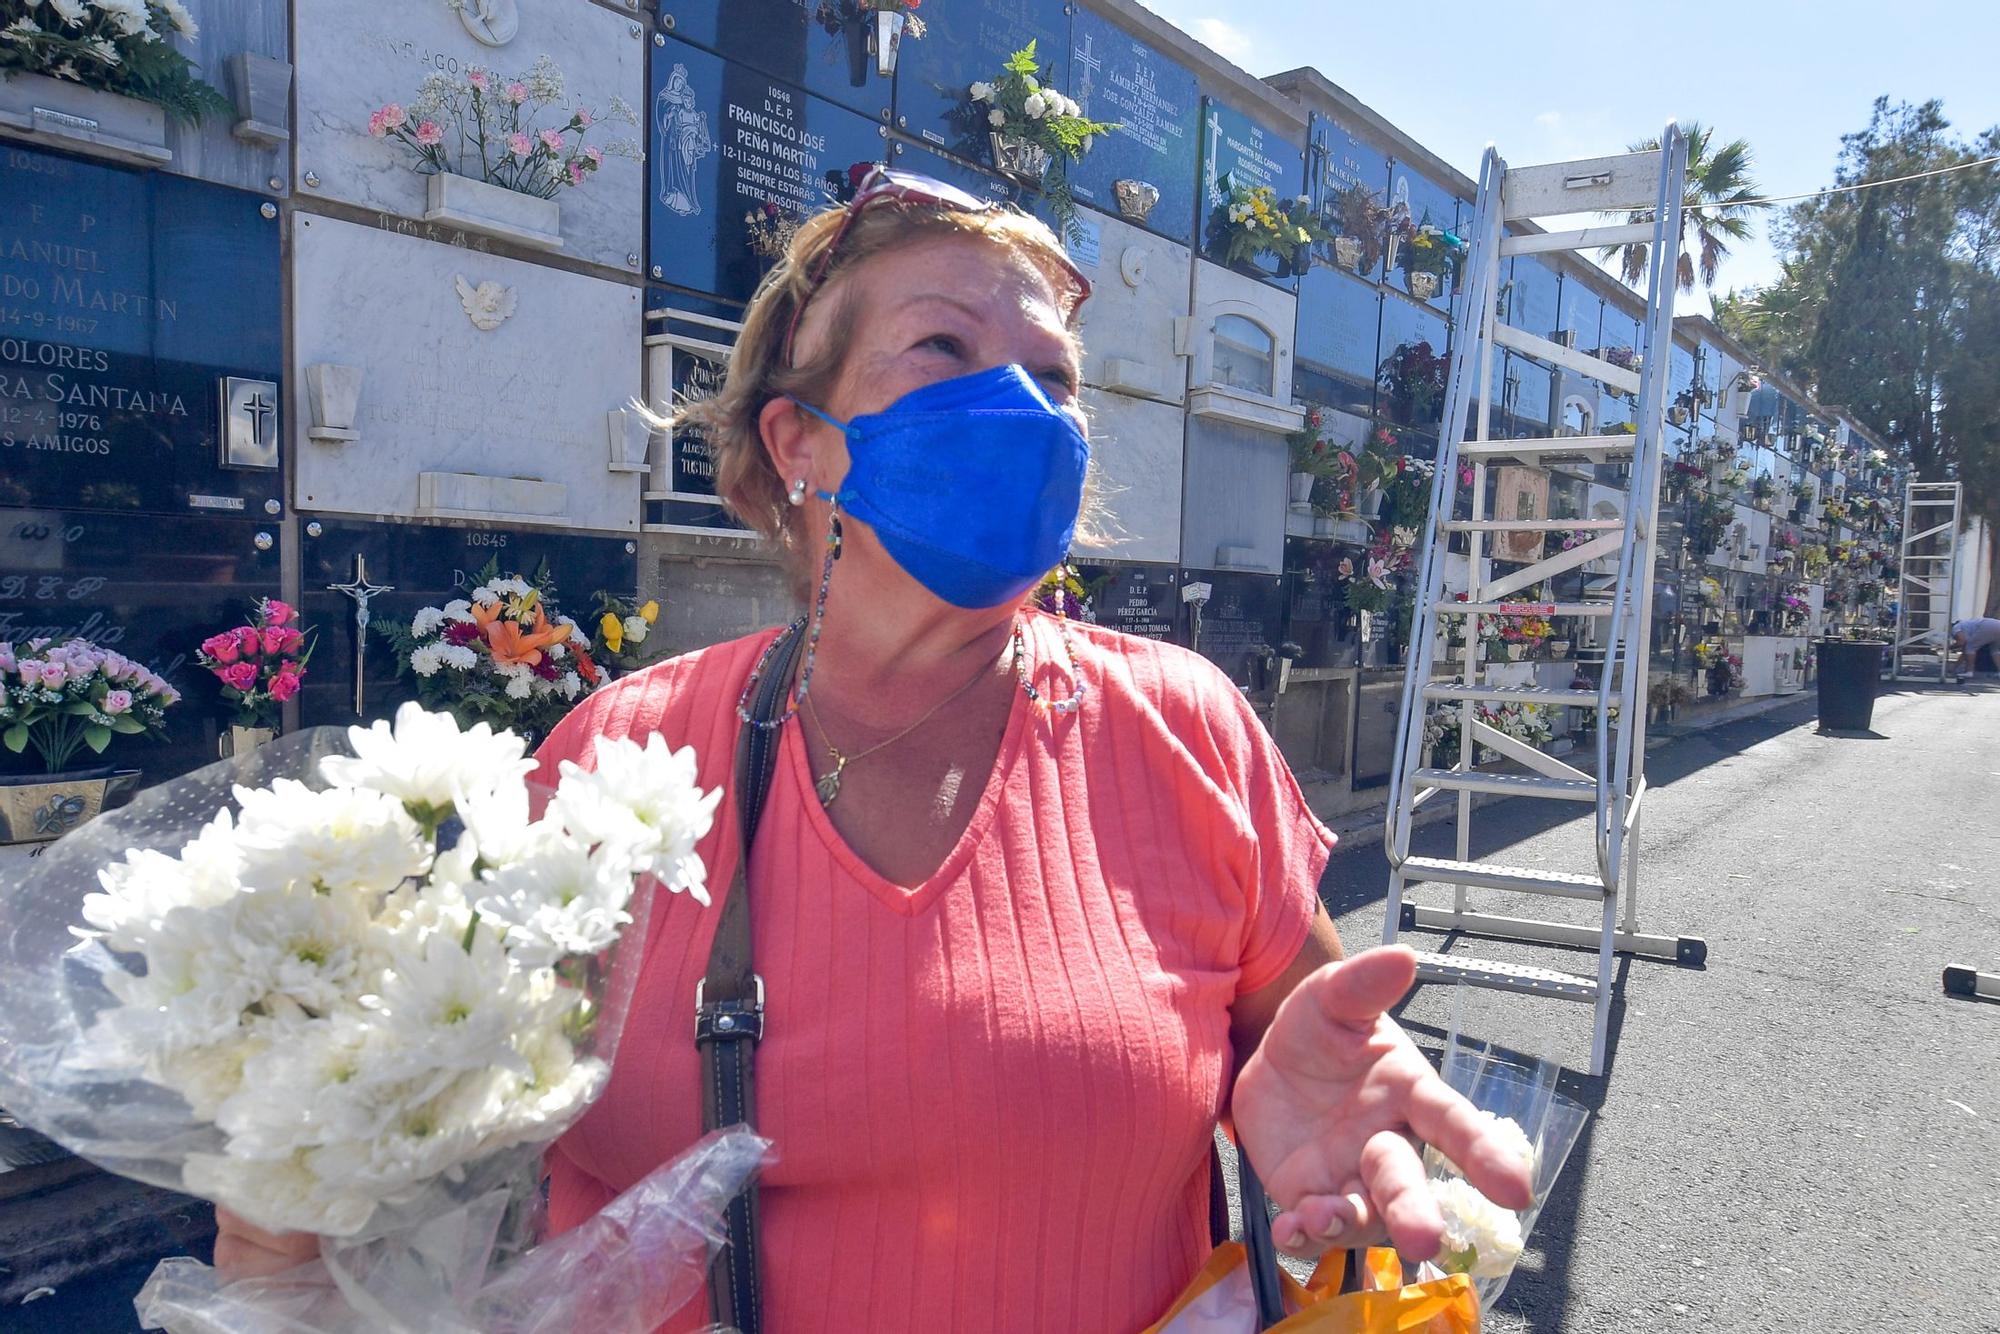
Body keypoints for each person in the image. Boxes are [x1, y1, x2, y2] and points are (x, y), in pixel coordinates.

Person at [213, 170, 1531, 1331]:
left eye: (1055, 376)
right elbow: (408, 1126)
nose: (1018, 404)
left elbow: (1303, 1050)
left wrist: (1300, 1114)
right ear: (800, 442)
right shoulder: (616, 758)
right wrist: (287, 1188)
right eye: (943, 347)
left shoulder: (1187, 733)